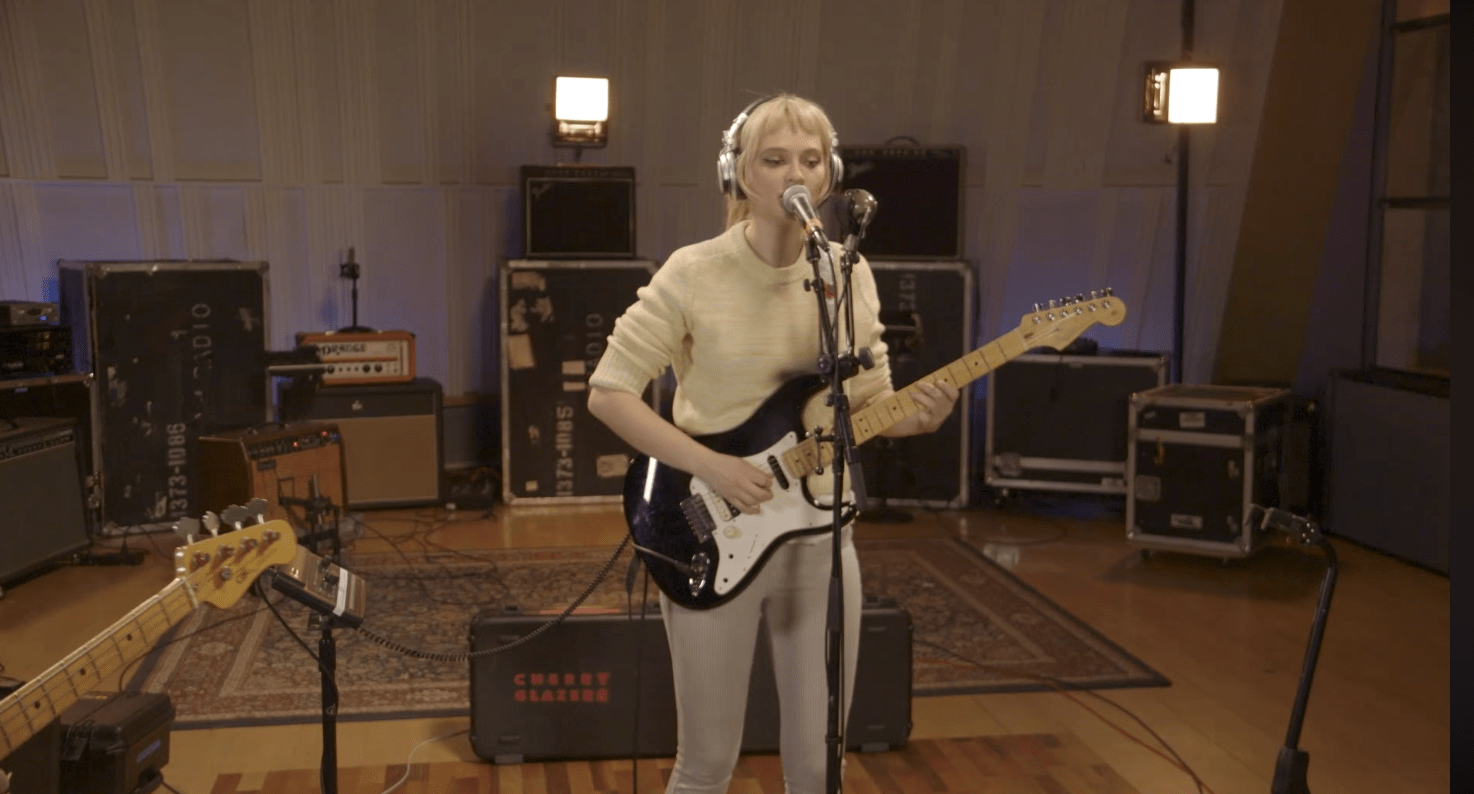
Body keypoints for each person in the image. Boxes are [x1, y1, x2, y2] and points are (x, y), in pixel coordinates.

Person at [587, 93, 959, 794]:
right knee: (706, 764)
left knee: (820, 765)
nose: (796, 174)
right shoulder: (694, 271)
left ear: (830, 175)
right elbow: (609, 393)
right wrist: (713, 467)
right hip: (714, 524)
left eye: (811, 160)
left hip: (822, 537)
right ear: (738, 175)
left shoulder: (847, 272)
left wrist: (922, 416)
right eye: (775, 159)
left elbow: (870, 406)